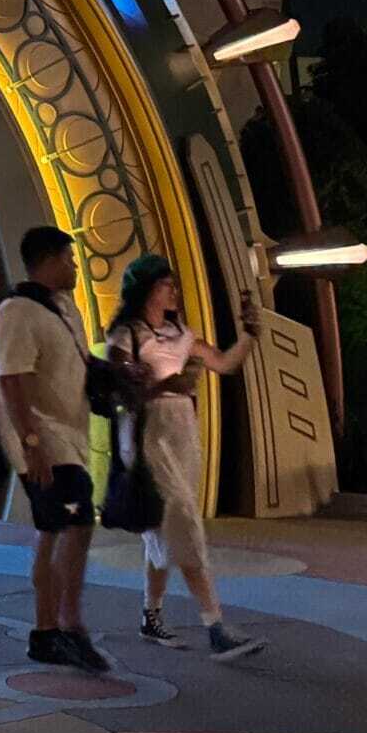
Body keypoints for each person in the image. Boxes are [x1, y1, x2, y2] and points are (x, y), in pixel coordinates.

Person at [105, 253, 265, 660]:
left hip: (182, 434)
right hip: (148, 437)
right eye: (166, 284)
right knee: (183, 525)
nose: (174, 291)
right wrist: (165, 384)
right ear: (146, 290)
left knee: (163, 530)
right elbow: (119, 390)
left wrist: (249, 333)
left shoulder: (182, 335)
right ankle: (215, 626)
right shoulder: (127, 335)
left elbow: (226, 363)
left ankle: (151, 616)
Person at [0, 224, 112, 674]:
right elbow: (11, 381)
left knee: (66, 530)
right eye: (69, 259)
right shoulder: (17, 311)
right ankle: (58, 628)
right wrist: (32, 443)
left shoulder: (64, 309)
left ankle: (56, 628)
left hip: (70, 438)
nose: (75, 268)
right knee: (69, 526)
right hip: (44, 441)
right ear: (47, 260)